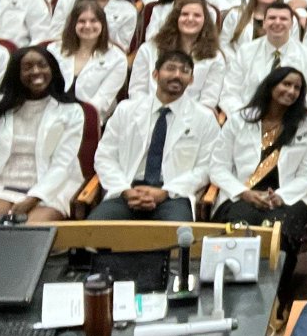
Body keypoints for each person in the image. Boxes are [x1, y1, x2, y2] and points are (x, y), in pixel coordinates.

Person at [210, 65, 307, 308]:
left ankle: (275, 300)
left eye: (297, 88)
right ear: (271, 85)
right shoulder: (240, 119)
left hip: (287, 198)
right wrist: (245, 193)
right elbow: (217, 166)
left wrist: (281, 196)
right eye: (286, 84)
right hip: (242, 195)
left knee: (277, 232)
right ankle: (232, 299)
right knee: (240, 227)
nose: (291, 91)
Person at [89, 51, 220, 221]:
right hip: (127, 190)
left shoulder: (205, 118)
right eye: (170, 69)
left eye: (185, 71)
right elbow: (105, 157)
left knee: (177, 237)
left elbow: (207, 166)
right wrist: (126, 190)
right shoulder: (126, 110)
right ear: (155, 74)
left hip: (174, 196)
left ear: (192, 79)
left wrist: (165, 192)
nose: (177, 75)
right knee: (92, 234)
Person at [0, 47, 85, 223]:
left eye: (42, 65)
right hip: (2, 186)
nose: (36, 71)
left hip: (51, 188)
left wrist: (34, 197)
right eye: (27, 67)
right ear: (16, 74)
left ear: (53, 70)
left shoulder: (71, 111)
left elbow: (62, 164)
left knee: (33, 229)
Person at [221, 2, 307, 115]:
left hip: (291, 123)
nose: (277, 22)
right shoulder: (245, 52)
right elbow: (229, 93)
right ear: (264, 23)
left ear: (291, 24)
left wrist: (284, 120)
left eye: (283, 19)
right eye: (272, 18)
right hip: (247, 119)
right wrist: (244, 117)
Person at [50, 0, 127, 120]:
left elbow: (101, 100)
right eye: (81, 21)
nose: (87, 26)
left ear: (102, 24)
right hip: (51, 115)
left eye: (93, 21)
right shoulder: (54, 49)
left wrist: (74, 119)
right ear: (73, 24)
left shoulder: (118, 59)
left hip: (88, 119)